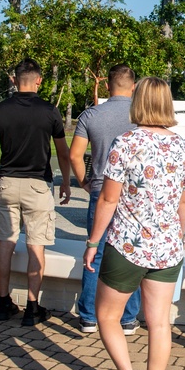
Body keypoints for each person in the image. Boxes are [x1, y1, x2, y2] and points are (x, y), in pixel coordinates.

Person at [83, 77, 185, 370]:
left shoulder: (126, 143)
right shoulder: (182, 147)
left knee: (106, 316)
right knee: (159, 323)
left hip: (128, 245)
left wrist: (92, 242)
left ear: (138, 101)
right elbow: (184, 202)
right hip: (168, 248)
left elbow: (109, 197)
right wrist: (175, 235)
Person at [0, 59, 71, 327]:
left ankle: (3, 302)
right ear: (39, 80)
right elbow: (63, 153)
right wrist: (66, 182)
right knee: (35, 246)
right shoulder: (50, 111)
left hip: (7, 182)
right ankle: (33, 306)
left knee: (5, 243)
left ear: (13, 79)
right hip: (37, 185)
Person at [70, 64, 141, 334]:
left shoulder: (91, 115)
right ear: (132, 86)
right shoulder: (141, 115)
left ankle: (88, 315)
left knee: (95, 253)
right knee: (130, 254)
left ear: (108, 85)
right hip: (134, 194)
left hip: (101, 190)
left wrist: (85, 182)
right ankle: (127, 318)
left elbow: (76, 155)